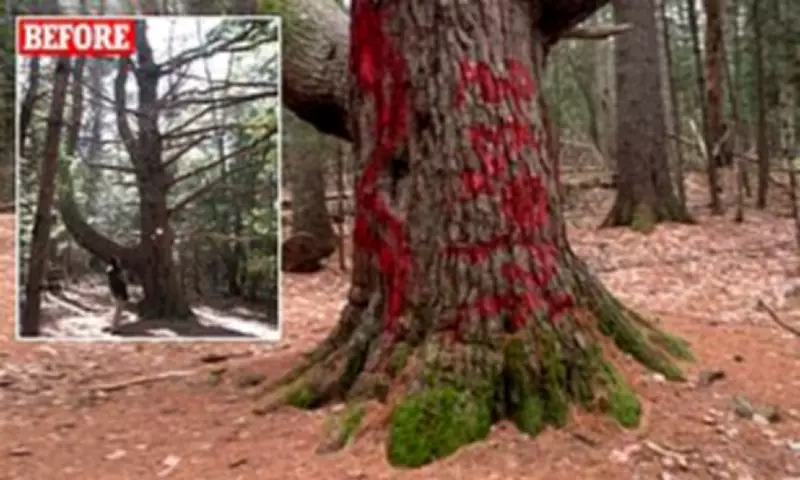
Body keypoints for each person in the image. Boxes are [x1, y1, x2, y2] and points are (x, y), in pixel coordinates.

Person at [106, 256, 128, 331]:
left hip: (116, 293)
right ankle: (114, 328)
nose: (119, 263)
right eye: (118, 261)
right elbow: (122, 282)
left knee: (118, 311)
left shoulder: (110, 272)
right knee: (118, 311)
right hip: (119, 293)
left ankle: (115, 326)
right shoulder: (116, 272)